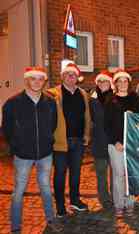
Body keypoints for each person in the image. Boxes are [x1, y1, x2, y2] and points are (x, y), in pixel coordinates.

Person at [2, 67, 62, 232]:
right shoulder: (13, 103)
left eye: (40, 79)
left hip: (45, 153)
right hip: (23, 155)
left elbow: (53, 124)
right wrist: (16, 145)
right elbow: (6, 128)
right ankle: (15, 226)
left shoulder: (50, 102)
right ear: (26, 80)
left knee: (45, 187)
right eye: (33, 78)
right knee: (18, 190)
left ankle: (51, 219)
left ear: (44, 81)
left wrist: (48, 140)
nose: (37, 82)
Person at [47, 63, 91, 217]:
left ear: (77, 78)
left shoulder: (83, 94)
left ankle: (75, 200)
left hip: (78, 141)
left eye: (73, 75)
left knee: (76, 173)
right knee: (60, 174)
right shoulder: (53, 94)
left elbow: (87, 116)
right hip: (60, 141)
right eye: (67, 74)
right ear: (62, 77)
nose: (70, 77)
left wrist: (87, 134)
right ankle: (60, 206)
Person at [104, 69, 139, 217]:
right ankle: (119, 204)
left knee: (130, 174)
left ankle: (130, 203)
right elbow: (106, 124)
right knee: (119, 174)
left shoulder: (135, 98)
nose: (122, 83)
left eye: (125, 80)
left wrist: (135, 119)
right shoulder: (111, 100)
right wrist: (116, 142)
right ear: (115, 83)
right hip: (116, 145)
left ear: (128, 82)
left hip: (132, 143)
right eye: (119, 81)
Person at [89, 71, 114, 209]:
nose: (103, 84)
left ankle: (116, 196)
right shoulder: (92, 100)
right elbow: (89, 119)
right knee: (101, 171)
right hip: (99, 140)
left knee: (115, 171)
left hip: (113, 140)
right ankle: (104, 198)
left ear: (110, 83)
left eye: (105, 81)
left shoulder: (115, 98)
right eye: (100, 82)